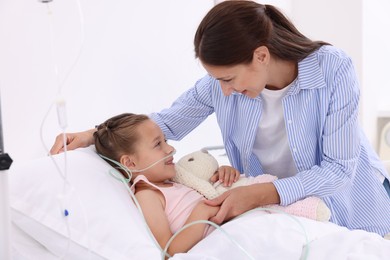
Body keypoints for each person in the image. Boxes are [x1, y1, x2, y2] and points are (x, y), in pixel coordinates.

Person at [50, 1, 390, 237]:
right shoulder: (216, 87)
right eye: (217, 81)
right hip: (287, 219)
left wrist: (263, 194)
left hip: (354, 208)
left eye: (228, 79)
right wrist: (94, 134)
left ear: (261, 56)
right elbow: (163, 124)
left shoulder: (332, 68)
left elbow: (339, 169)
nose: (223, 92)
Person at [93, 112, 240, 256]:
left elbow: (209, 187)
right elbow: (168, 250)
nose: (170, 149)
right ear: (130, 163)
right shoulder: (147, 196)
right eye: (158, 144)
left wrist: (223, 174)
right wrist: (202, 212)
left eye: (166, 141)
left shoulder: (175, 180)